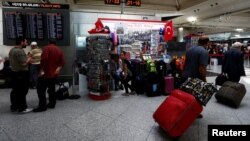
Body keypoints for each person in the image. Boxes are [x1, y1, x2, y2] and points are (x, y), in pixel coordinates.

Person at [33, 39, 65, 112]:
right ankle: (52, 103)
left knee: (41, 90)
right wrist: (58, 68)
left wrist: (41, 69)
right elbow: (62, 62)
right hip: (54, 74)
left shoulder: (46, 48)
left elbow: (44, 59)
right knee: (52, 89)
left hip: (45, 74)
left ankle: (42, 106)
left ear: (48, 42)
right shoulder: (59, 50)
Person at [182, 36, 210, 119]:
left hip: (186, 76)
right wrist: (204, 80)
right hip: (196, 78)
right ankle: (194, 112)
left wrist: (183, 72)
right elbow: (202, 68)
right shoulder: (204, 52)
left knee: (187, 95)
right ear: (207, 43)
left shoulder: (190, 49)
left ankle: (185, 111)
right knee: (196, 97)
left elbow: (185, 63)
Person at [9, 38, 32, 113]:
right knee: (22, 91)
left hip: (14, 73)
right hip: (21, 74)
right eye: (26, 42)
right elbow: (24, 64)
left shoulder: (12, 50)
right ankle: (22, 108)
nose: (27, 43)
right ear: (21, 42)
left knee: (15, 90)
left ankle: (14, 106)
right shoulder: (19, 51)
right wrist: (29, 58)